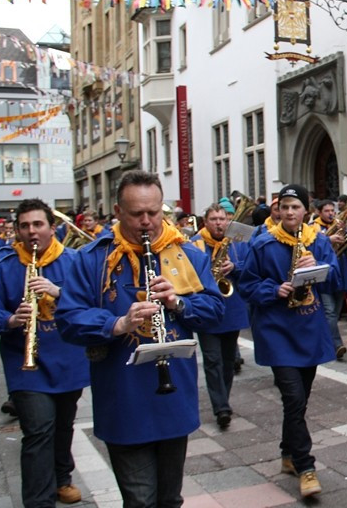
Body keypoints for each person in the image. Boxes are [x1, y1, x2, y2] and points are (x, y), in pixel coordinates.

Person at [55, 171, 225, 507]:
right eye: (137, 214)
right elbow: (68, 319)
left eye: (154, 212)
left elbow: (215, 310)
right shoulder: (93, 259)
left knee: (170, 499)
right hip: (124, 399)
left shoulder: (187, 254)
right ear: (118, 212)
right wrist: (118, 323)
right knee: (139, 501)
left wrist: (178, 302)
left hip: (174, 396)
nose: (147, 222)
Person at [0, 199, 89, 506]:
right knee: (38, 430)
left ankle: (62, 477)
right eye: (25, 226)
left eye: (38, 224)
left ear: (51, 228)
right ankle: (38, 501)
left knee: (63, 425)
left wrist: (59, 293)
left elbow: (91, 303)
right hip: (25, 366)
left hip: (68, 360)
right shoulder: (4, 266)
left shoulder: (73, 261)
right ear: (17, 230)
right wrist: (9, 319)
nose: (32, 232)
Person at [237, 184, 337, 498]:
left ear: (306, 210)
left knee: (299, 401)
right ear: (278, 210)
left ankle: (286, 452)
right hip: (277, 331)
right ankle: (306, 467)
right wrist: (273, 290)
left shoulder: (318, 240)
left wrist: (319, 268)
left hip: (308, 328)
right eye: (285, 207)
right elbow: (247, 284)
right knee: (293, 399)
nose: (291, 213)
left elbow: (335, 276)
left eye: (296, 207)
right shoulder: (263, 243)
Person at [192, 203, 250, 428]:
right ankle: (221, 407)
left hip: (231, 308)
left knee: (227, 360)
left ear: (228, 222)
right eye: (214, 219)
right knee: (212, 360)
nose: (218, 223)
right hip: (207, 309)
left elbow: (249, 267)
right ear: (205, 222)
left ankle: (223, 398)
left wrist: (234, 267)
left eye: (222, 219)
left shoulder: (236, 242)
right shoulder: (195, 244)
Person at [313, 199, 347, 360]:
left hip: (340, 273)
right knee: (329, 312)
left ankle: (324, 340)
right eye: (327, 211)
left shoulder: (340, 226)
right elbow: (312, 247)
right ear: (319, 212)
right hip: (324, 275)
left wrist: (346, 232)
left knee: (334, 313)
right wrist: (329, 239)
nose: (331, 213)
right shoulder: (313, 228)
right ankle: (337, 345)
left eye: (332, 211)